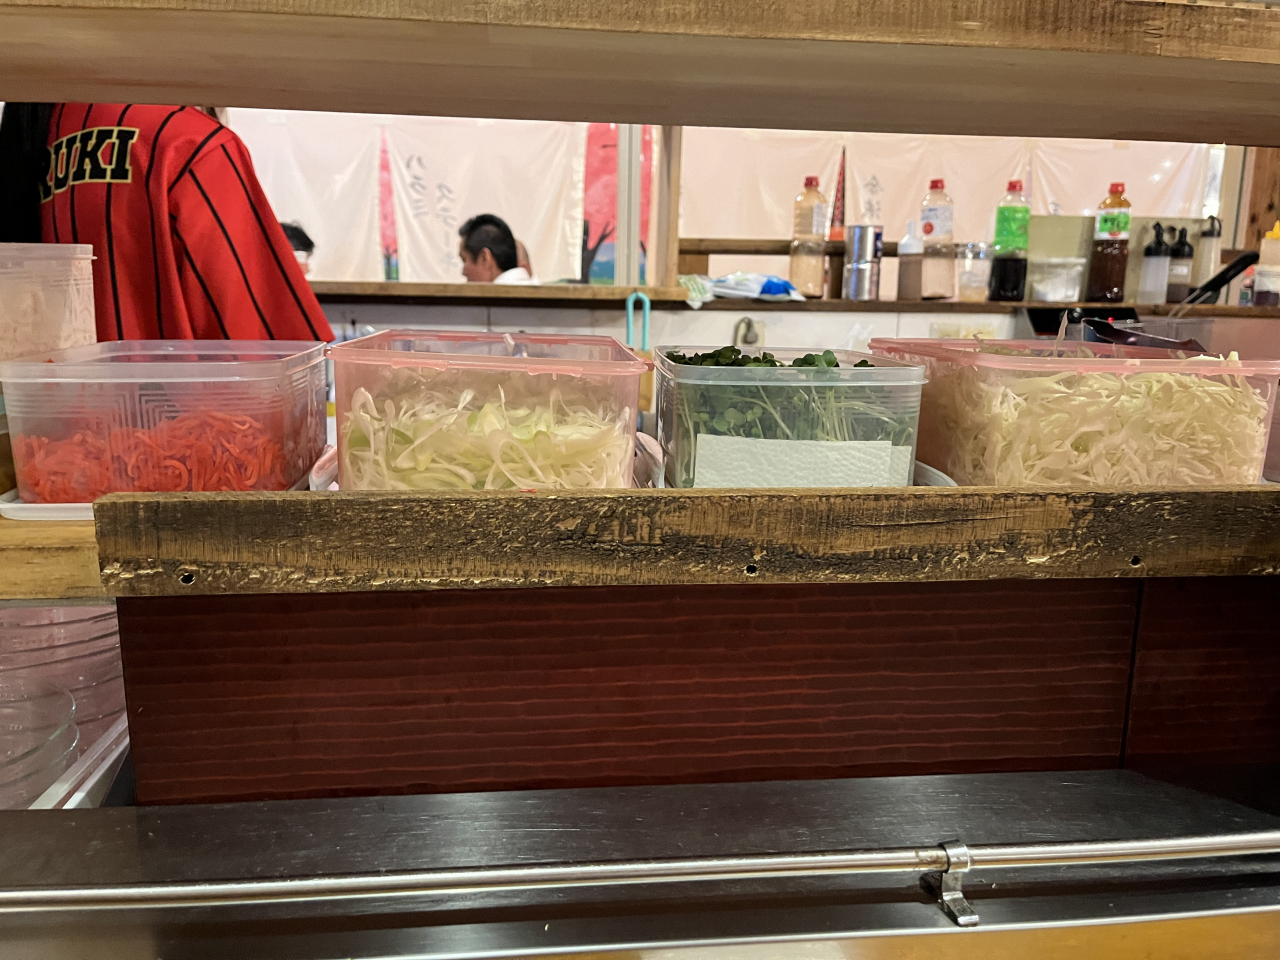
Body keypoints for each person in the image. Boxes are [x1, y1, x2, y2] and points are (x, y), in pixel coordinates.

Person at [0, 102, 332, 341]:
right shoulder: (189, 143)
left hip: (45, 419)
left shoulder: (37, 131)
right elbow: (273, 356)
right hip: (178, 418)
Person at [458, 213, 535, 284]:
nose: (463, 272)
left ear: (484, 258)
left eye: (464, 260)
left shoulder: (493, 294)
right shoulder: (537, 289)